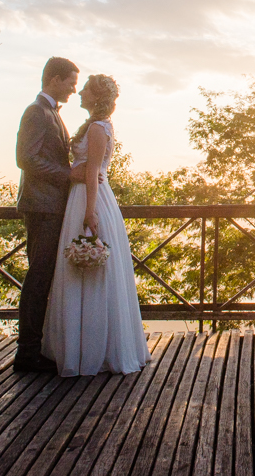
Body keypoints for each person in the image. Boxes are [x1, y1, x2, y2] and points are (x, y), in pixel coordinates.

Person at [42, 74, 150, 376]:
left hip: (91, 199)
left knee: (91, 272)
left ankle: (93, 349)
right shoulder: (94, 125)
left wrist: (89, 213)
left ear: (96, 97)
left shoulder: (98, 128)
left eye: (85, 90)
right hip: (81, 197)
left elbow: (92, 173)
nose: (79, 93)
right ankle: (79, 345)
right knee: (79, 271)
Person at [13, 56, 83, 373]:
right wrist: (66, 175)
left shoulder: (49, 112)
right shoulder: (37, 112)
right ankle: (26, 353)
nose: (73, 89)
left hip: (51, 205)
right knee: (38, 279)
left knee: (43, 278)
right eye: (71, 82)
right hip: (42, 206)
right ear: (54, 80)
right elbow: (25, 159)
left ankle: (35, 348)